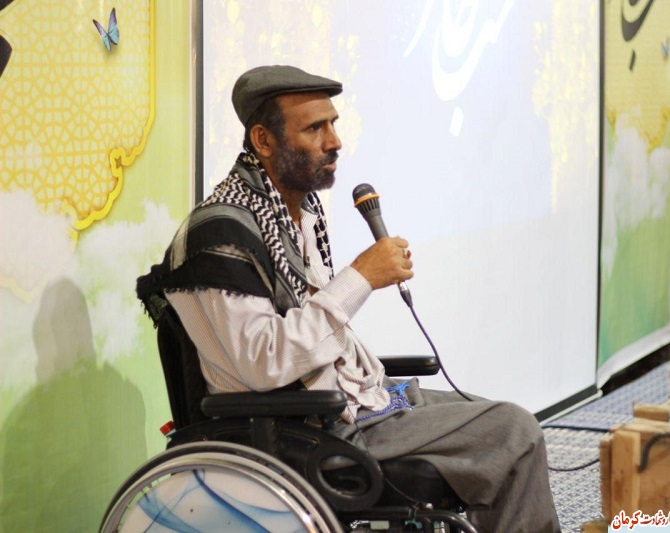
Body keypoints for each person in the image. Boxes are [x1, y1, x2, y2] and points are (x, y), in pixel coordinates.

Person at [137, 65, 560, 532]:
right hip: (299, 432)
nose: (334, 141)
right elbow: (263, 362)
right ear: (264, 140)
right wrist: (360, 277)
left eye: (333, 124)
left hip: (347, 407)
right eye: (315, 128)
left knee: (493, 419)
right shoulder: (221, 234)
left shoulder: (294, 212)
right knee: (513, 432)